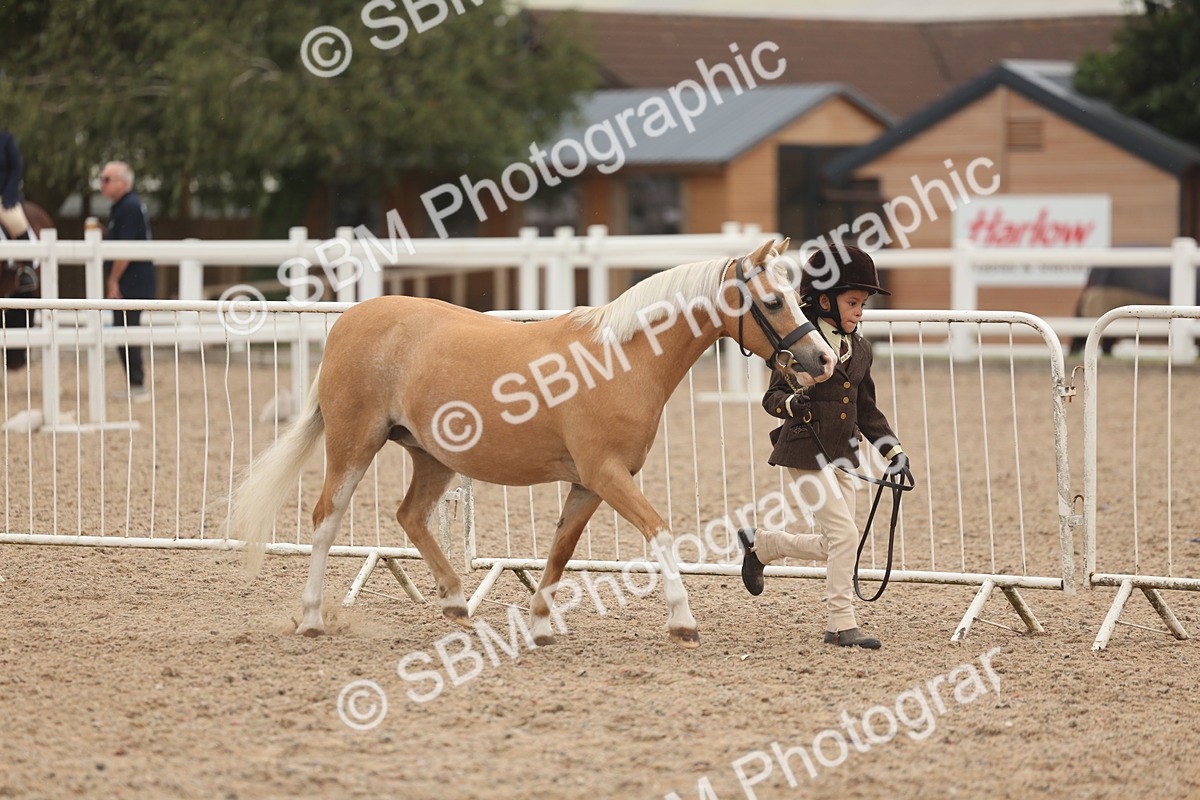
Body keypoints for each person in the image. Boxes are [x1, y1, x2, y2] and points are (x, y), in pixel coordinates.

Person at [737, 245, 913, 650]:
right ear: (823, 301)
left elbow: (868, 411)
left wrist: (893, 452)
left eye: (862, 304)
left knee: (836, 540)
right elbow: (772, 398)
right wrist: (792, 400)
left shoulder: (861, 350)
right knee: (845, 535)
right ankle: (840, 623)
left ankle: (762, 545)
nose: (859, 311)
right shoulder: (800, 347)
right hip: (804, 452)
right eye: (852, 302)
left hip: (845, 456)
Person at [100, 161, 157, 398]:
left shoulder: (129, 207)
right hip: (131, 280)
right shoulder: (123, 206)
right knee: (124, 331)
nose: (102, 184)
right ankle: (135, 384)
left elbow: (127, 248)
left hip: (132, 281)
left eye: (106, 179)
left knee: (127, 332)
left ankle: (138, 385)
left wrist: (113, 279)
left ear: (122, 183)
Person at [0, 129, 34, 241]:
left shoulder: (6, 140)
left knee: (18, 225)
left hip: (3, 198)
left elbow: (16, 167)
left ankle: (30, 256)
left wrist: (8, 194)